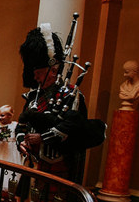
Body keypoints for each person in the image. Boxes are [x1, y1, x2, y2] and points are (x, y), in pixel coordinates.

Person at [16, 23, 92, 184]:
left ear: (53, 71)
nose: (35, 77)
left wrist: (41, 138)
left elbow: (72, 129)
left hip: (58, 166)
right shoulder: (33, 95)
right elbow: (21, 125)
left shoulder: (71, 95)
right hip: (31, 163)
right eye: (34, 73)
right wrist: (21, 140)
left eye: (38, 73)